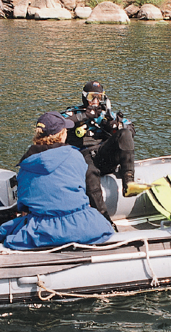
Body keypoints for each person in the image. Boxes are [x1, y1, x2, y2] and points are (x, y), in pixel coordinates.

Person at [0, 111, 114, 250]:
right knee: (104, 225)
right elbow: (80, 189)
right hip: (80, 225)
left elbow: (23, 204)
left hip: (42, 229)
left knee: (7, 231)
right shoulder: (76, 156)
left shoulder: (26, 166)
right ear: (62, 134)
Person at [61, 81, 149, 225]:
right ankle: (103, 218)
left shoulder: (106, 114)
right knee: (90, 173)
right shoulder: (74, 112)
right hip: (83, 155)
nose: (95, 101)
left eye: (99, 97)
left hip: (103, 155)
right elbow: (58, 123)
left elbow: (131, 129)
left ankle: (129, 182)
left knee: (125, 133)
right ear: (84, 97)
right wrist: (83, 116)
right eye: (91, 97)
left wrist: (115, 125)